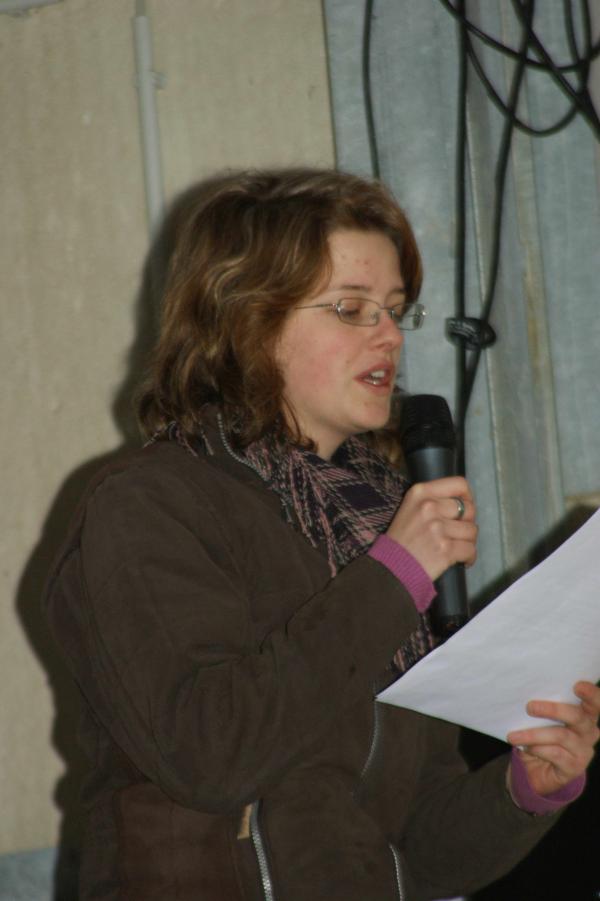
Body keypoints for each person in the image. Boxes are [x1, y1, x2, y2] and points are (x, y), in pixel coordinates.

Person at [45, 168, 599, 901]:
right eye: (351, 308)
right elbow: (208, 752)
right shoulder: (151, 503)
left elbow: (415, 845)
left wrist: (526, 788)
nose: (390, 336)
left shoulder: (375, 518)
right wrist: (394, 575)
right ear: (249, 321)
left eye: (395, 310)